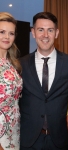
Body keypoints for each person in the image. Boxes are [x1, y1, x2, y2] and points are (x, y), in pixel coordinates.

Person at [19, 12, 68, 150]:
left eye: (50, 30)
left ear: (56, 33)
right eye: (40, 30)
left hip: (60, 141)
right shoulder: (20, 65)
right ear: (33, 32)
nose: (45, 35)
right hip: (29, 141)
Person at [0, 12, 22, 150]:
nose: (7, 37)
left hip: (13, 133)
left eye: (11, 33)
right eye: (1, 32)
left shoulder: (12, 63)